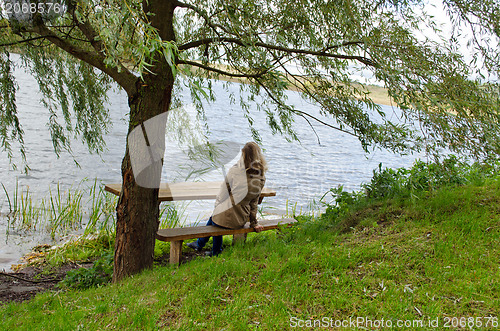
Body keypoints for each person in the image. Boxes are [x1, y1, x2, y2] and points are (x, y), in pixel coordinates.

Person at [187, 142, 268, 256]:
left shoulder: (235, 171)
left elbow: (223, 194)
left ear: (243, 155)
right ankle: (200, 244)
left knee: (215, 220)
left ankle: (214, 251)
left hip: (228, 215)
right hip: (241, 219)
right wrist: (254, 222)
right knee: (215, 218)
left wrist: (217, 207)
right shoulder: (261, 177)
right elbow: (254, 202)